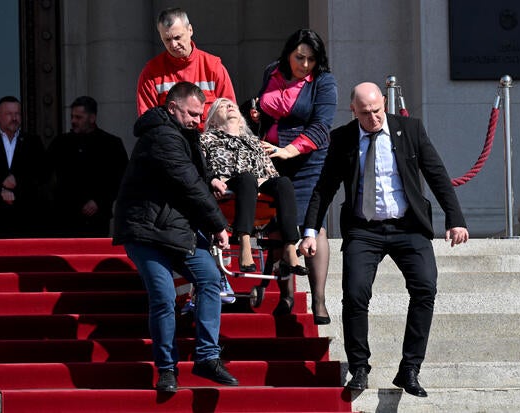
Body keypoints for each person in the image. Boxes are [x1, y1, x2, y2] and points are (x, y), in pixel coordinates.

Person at [300, 82, 469, 396]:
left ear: (384, 105)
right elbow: (324, 188)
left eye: (377, 110)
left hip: (408, 226)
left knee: (425, 287)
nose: (373, 118)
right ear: (354, 111)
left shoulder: (410, 130)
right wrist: (310, 231)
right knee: (354, 294)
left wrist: (455, 219)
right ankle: (360, 367)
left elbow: (437, 174)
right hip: (364, 230)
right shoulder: (344, 138)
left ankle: (410, 368)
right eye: (365, 113)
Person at [112, 82, 239, 393]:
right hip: (145, 230)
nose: (198, 120)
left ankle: (207, 357)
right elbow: (187, 181)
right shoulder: (161, 135)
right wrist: (219, 224)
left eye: (200, 114)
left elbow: (196, 172)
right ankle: (167, 369)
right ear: (172, 108)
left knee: (209, 277)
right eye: (192, 114)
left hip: (175, 228)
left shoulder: (184, 133)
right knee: (164, 296)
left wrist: (210, 177)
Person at [251, 29, 337, 323]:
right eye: (299, 57)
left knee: (314, 224)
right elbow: (266, 110)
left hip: (309, 159)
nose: (305, 64)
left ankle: (320, 301)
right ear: (288, 53)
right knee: (278, 224)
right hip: (272, 158)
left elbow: (321, 126)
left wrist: (290, 149)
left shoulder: (324, 82)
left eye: (311, 59)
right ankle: (286, 296)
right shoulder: (271, 72)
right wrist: (256, 117)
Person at [201, 98, 308, 283]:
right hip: (228, 189)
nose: (230, 106)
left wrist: (267, 181)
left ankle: (290, 247)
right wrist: (214, 181)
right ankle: (244, 242)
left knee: (283, 182)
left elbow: (270, 172)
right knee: (246, 178)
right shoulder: (205, 139)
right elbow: (203, 170)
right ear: (212, 119)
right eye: (222, 105)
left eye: (232, 105)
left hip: (259, 189)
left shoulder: (254, 142)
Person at [136, 7, 236, 129]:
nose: (173, 44)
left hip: (210, 144)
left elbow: (231, 116)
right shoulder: (151, 72)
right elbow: (147, 123)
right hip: (170, 145)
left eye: (177, 37)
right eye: (167, 40)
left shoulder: (213, 67)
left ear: (190, 30)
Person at [47, 96, 128, 237]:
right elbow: (44, 173)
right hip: (64, 218)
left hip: (96, 218)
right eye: (72, 117)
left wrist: (100, 201)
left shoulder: (111, 144)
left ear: (92, 118)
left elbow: (122, 178)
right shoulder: (61, 143)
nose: (73, 121)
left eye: (78, 117)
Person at [0, 96, 47, 238]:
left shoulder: (33, 142)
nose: (14, 118)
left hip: (28, 216)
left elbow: (42, 172)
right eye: (9, 114)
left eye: (17, 114)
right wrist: (2, 184)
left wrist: (17, 180)